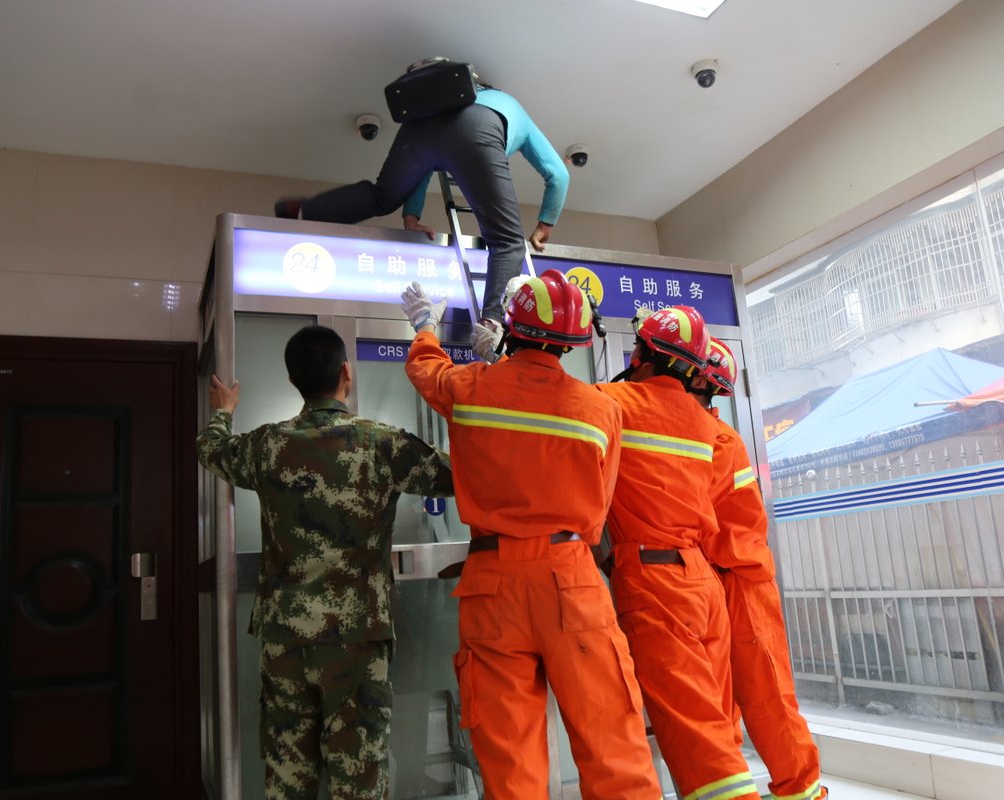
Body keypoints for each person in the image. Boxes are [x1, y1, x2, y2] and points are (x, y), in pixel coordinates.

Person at [398, 272, 662, 799]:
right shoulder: (602, 409)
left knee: (508, 751)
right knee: (611, 738)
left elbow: (426, 370)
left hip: (492, 586)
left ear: (510, 331)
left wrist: (425, 326)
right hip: (571, 578)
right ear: (574, 342)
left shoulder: (471, 387)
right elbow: (601, 500)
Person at [196, 324, 453, 800]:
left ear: (294, 380)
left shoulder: (268, 445)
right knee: (358, 778)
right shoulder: (381, 444)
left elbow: (211, 450)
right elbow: (460, 476)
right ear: (346, 374)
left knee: (288, 777)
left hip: (284, 641)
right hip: (357, 643)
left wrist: (223, 413)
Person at [597, 306, 761, 800]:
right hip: (702, 584)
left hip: (655, 583)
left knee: (698, 739)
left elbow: (555, 410)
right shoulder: (707, 425)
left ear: (641, 352)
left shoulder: (613, 402)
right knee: (717, 720)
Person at [278, 57, 569, 327]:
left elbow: (426, 164)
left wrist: (411, 215)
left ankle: (306, 210)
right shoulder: (509, 105)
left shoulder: (434, 108)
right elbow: (558, 175)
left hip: (415, 130)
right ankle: (491, 325)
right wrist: (546, 223)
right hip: (478, 129)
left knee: (382, 196)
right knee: (507, 241)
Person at [691, 338, 828, 800]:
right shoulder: (707, 435)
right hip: (720, 579)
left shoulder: (716, 442)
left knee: (768, 697)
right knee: (721, 699)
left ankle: (802, 790)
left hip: (742, 583)